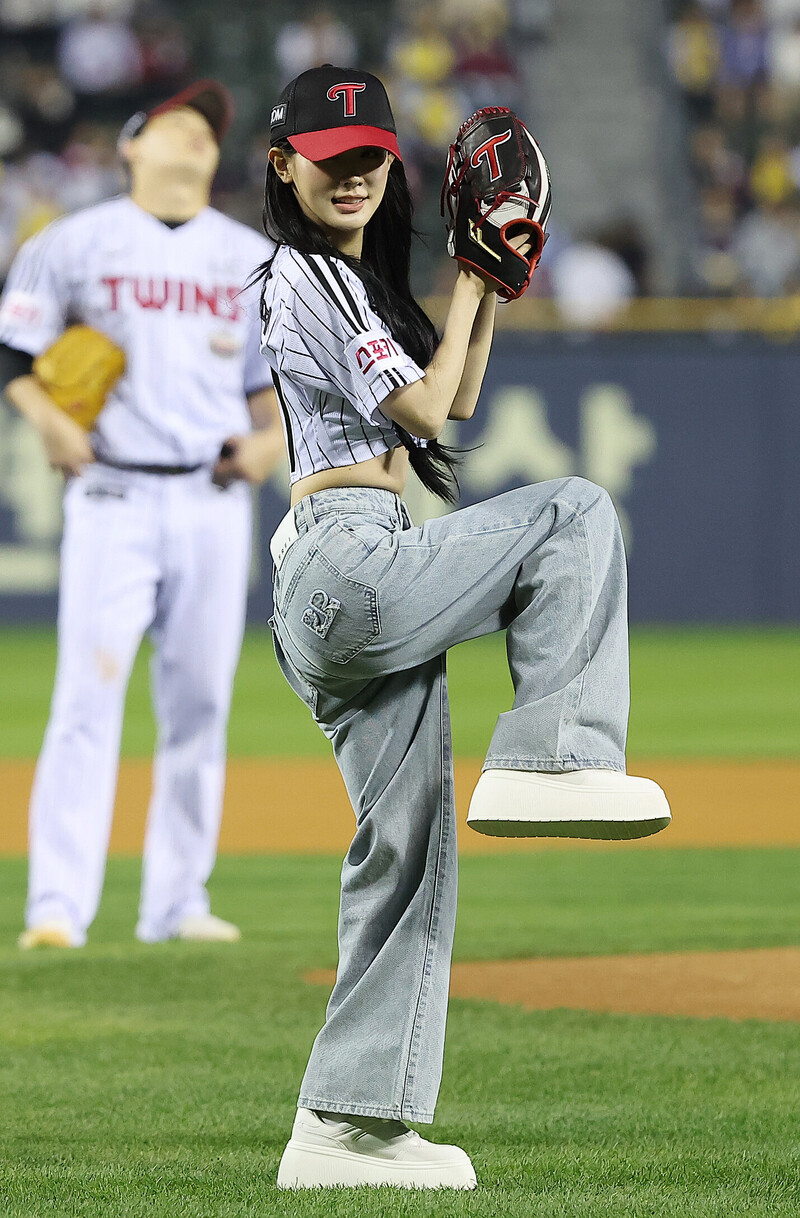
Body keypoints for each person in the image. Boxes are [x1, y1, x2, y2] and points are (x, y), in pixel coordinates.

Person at [258, 65, 671, 1190]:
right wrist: (469, 276)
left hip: (343, 574)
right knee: (573, 514)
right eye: (329, 159)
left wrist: (476, 283)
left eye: (368, 159)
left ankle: (341, 1128)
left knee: (407, 851)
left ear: (388, 165)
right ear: (281, 164)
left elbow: (458, 399)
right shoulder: (302, 276)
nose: (351, 176)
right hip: (351, 555)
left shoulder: (353, 286)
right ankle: (554, 756)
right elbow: (433, 411)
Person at [0, 80, 283, 949]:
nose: (197, 138)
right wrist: (49, 420)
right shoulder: (73, 242)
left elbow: (268, 392)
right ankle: (57, 906)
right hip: (112, 492)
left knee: (201, 700)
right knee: (88, 696)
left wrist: (267, 447)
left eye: (207, 131)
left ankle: (176, 902)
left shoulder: (247, 255)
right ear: (130, 145)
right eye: (177, 125)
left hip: (212, 494)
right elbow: (15, 354)